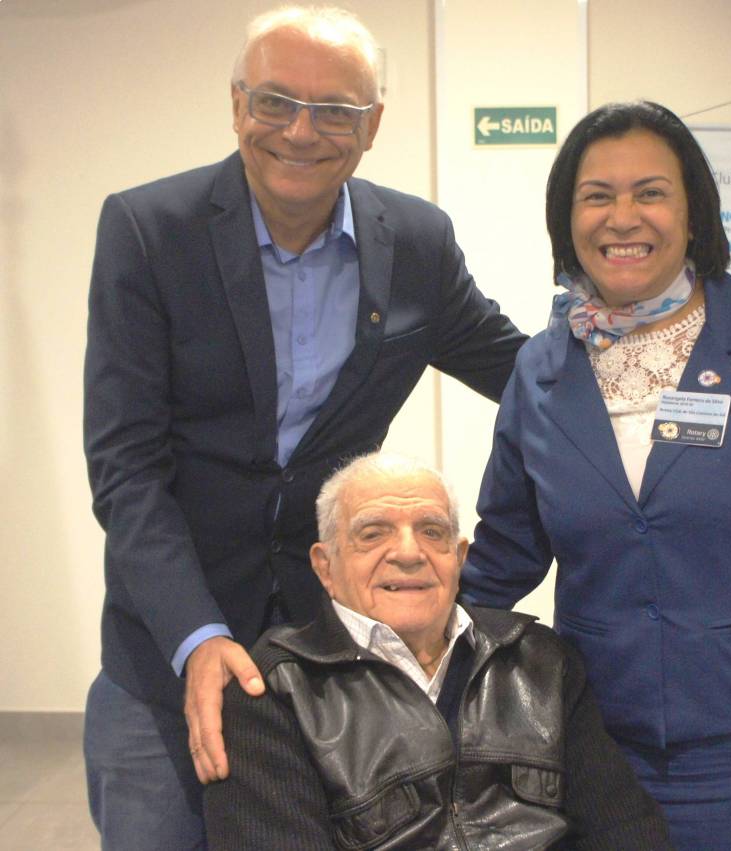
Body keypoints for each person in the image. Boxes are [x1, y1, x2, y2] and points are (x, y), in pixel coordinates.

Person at [82, 7, 525, 848]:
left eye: (334, 110)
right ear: (237, 104)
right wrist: (196, 635)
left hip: (332, 660)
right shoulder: (150, 230)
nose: (300, 130)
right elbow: (126, 467)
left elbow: (523, 376)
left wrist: (635, 333)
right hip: (165, 658)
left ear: (373, 125)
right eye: (276, 101)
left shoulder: (416, 242)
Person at [459, 101, 731, 851]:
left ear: (693, 213)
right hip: (598, 749)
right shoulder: (541, 369)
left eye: (651, 193)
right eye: (597, 196)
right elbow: (504, 555)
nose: (622, 217)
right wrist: (396, 636)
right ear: (567, 219)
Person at [202, 453, 672, 850]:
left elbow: (627, 831)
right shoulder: (273, 690)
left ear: (459, 557)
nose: (409, 553)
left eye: (432, 531)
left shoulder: (539, 661)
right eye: (373, 533)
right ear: (326, 567)